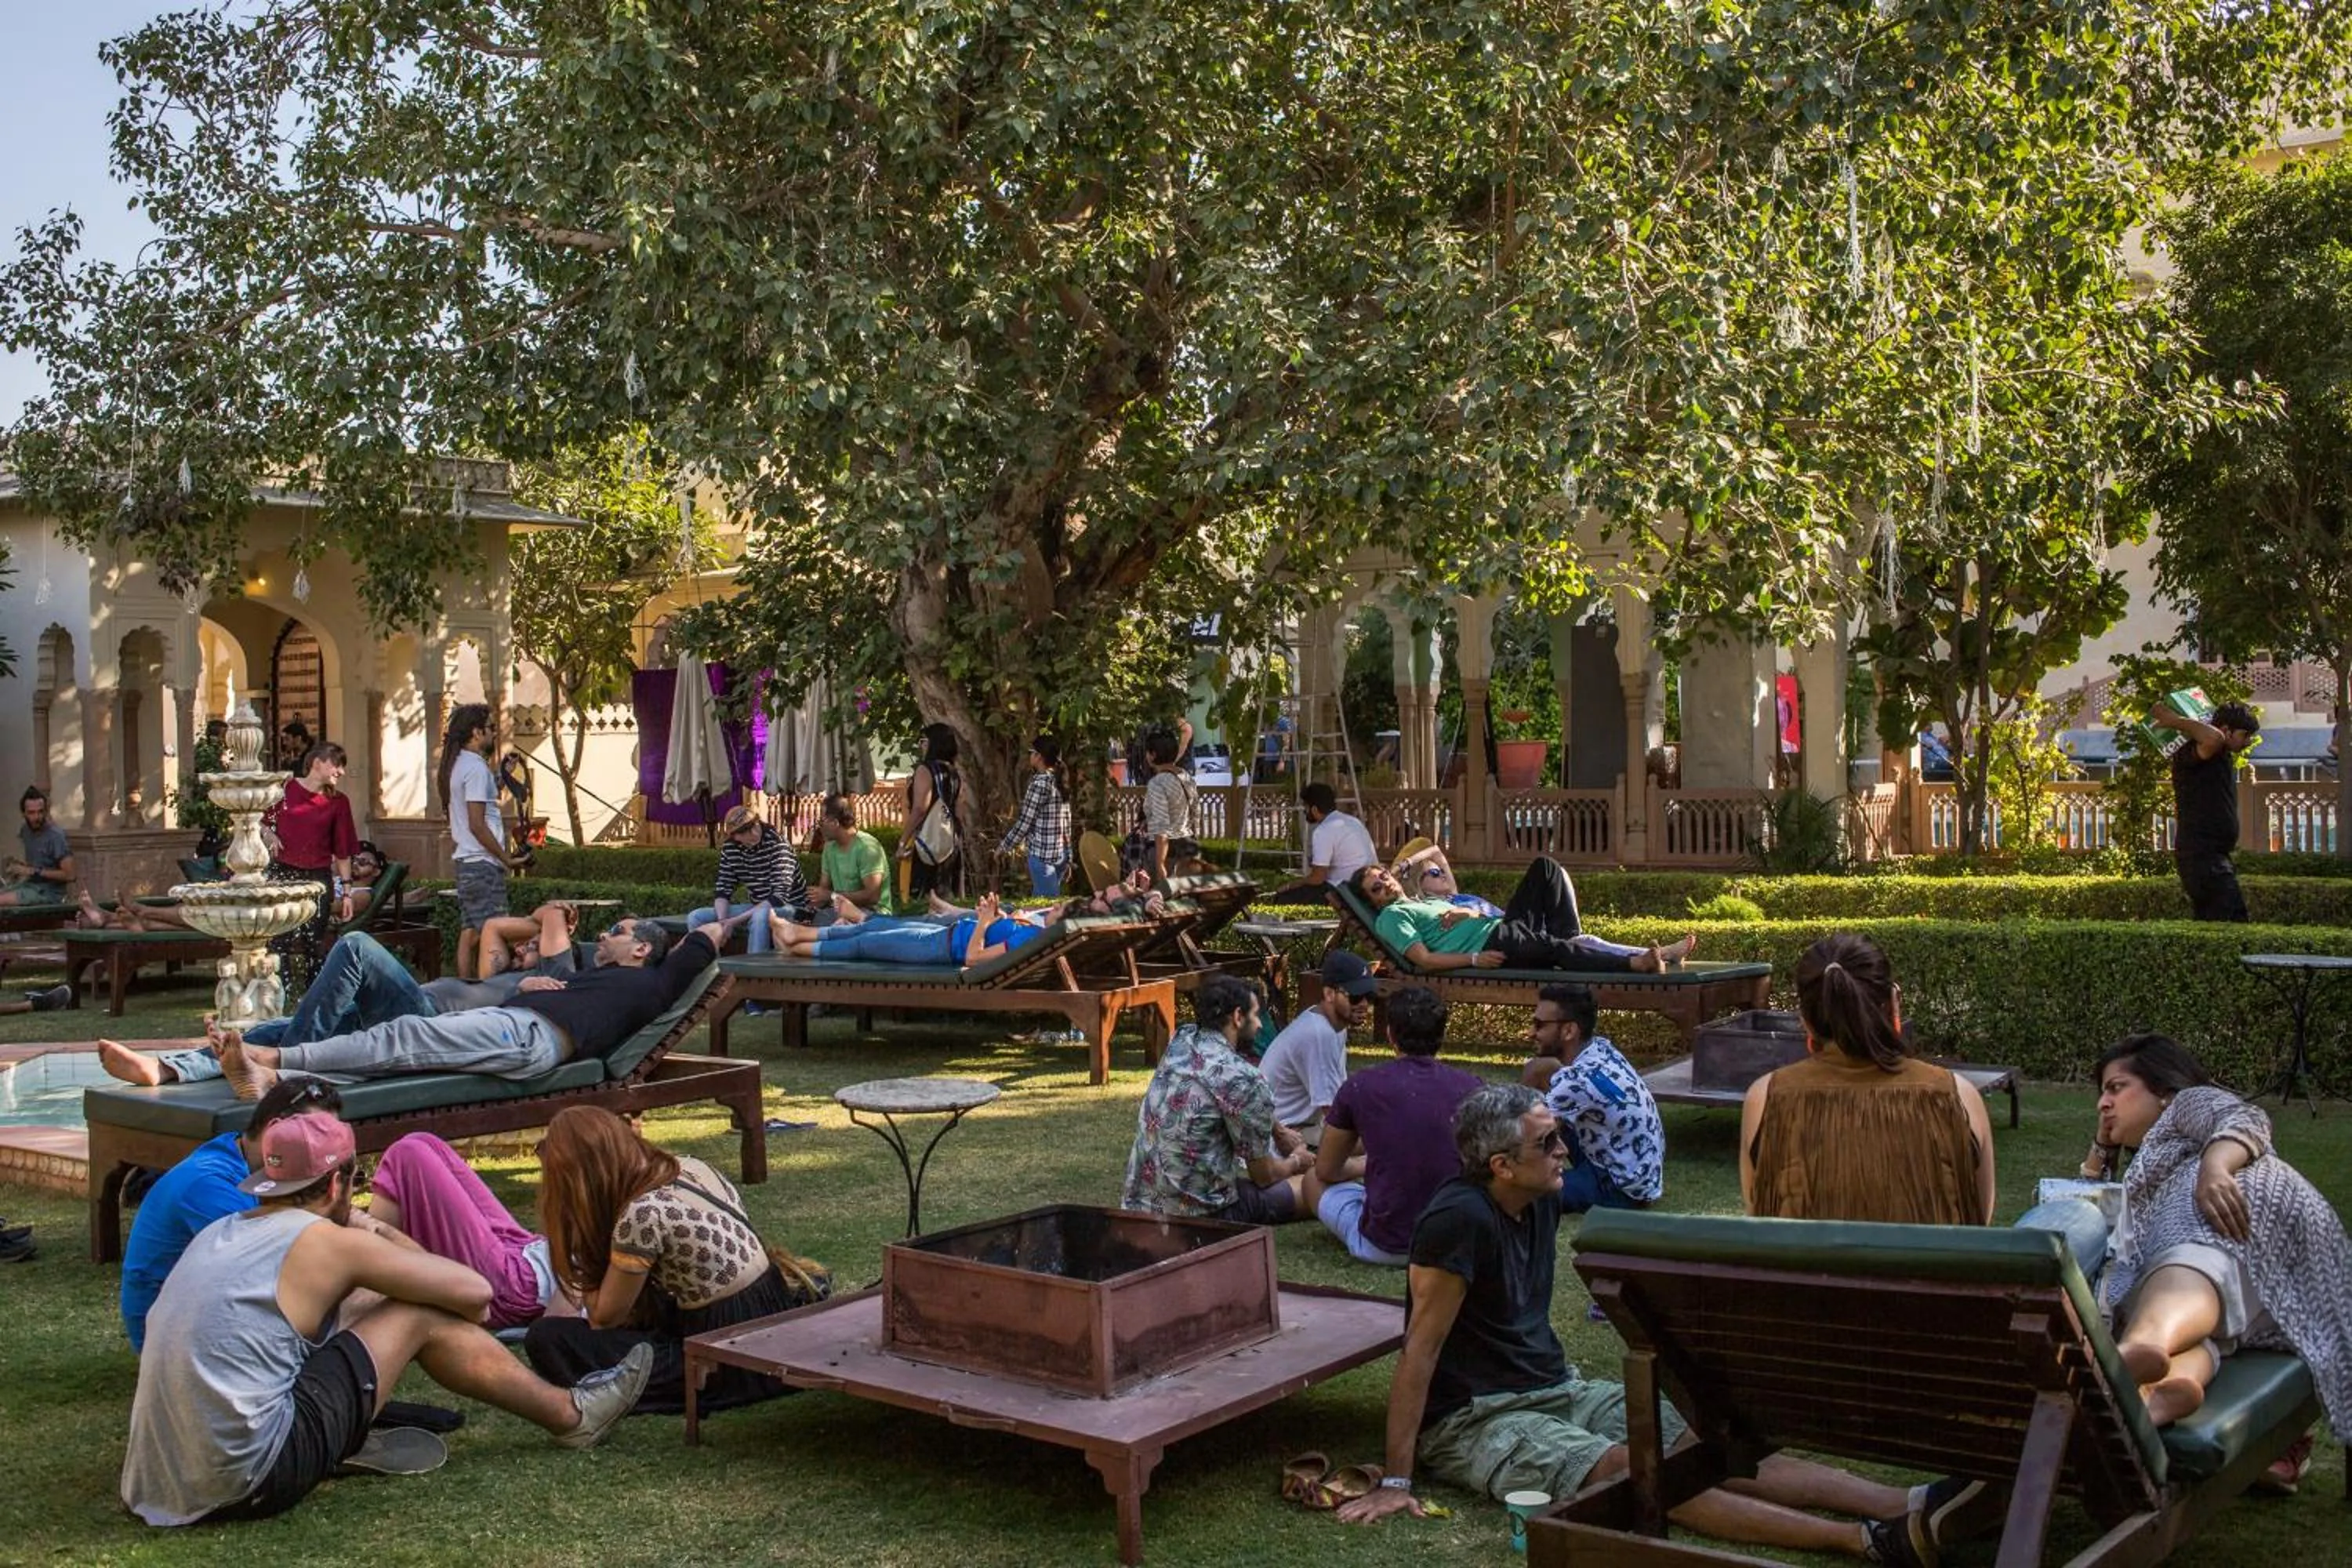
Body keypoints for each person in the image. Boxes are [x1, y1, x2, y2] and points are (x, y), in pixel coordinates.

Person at [1335, 1083, 1938, 1565]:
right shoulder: (1456, 1221)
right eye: (1547, 1143)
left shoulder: (1542, 1196)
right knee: (1628, 1467)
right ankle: (1861, 1542)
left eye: (1559, 1136)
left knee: (1707, 1435)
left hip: (1554, 1388)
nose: (1564, 1151)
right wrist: (1396, 1478)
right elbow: (1420, 1350)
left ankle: (1908, 1503)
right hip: (1475, 1418)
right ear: (1502, 1166)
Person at [122, 1109, 653, 1526]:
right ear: (336, 1185)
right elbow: (474, 1295)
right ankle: (570, 1414)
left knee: (364, 1305)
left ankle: (342, 1436)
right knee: (415, 1308)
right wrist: (373, 1232)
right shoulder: (325, 1242)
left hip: (156, 1481)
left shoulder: (224, 1231)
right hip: (245, 1481)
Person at [2091, 1034, 2350, 1436]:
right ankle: (2160, 1388)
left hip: (2236, 1204)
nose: (2102, 1103)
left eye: (2116, 1088)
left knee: (2188, 1260)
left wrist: (2215, 1168)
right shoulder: (2151, 1160)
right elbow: (2089, 1194)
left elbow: (2246, 1117)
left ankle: (2136, 1350)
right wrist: (2101, 1145)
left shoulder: (2186, 1104)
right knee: (2212, 1335)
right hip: (2263, 1270)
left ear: (2163, 1090)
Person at [211, 915, 723, 1102]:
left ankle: (274, 1062)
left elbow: (702, 939)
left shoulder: (653, 983)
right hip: (513, 1025)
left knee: (404, 1037)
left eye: (620, 932)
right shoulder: (597, 978)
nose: (607, 935)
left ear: (642, 950)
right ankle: (274, 1082)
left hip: (526, 1038)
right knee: (396, 1057)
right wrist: (529, 988)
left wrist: (751, 914)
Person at [95, 897, 586, 1088]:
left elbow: (557, 916)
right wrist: (524, 946)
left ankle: (285, 1066)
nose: (520, 948)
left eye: (532, 946)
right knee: (270, 1028)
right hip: (400, 1014)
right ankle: (168, 1069)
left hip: (428, 1023)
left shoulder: (559, 975)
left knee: (354, 946)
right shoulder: (504, 972)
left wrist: (549, 928)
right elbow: (495, 926)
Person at [523, 1106, 809, 1415]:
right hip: (772, 1314)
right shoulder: (690, 1166)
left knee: (547, 1339)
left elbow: (603, 1318)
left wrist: (579, 1229)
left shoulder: (643, 1214)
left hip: (727, 1355)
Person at [1740, 933, 1995, 1226]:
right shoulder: (1958, 1096)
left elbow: (1757, 1209)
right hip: (1926, 1272)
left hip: (1804, 1273)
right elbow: (1980, 1219)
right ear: (1893, 1003)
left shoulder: (1765, 1098)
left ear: (1806, 1020)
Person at [119, 1078, 344, 1352]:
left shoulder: (236, 1153)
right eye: (315, 1135)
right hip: (170, 1341)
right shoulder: (210, 1185)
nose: (324, 1149)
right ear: (273, 1128)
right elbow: (286, 1268)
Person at [1120, 975, 1315, 1224]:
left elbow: (1228, 1096)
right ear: (1237, 1017)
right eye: (1255, 1015)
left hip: (1139, 1206)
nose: (1258, 1025)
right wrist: (1297, 1160)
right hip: (1199, 1216)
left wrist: (1278, 1130)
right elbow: (1265, 1175)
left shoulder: (1181, 1040)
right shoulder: (1245, 1078)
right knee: (1312, 1184)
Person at [1312, 985, 1483, 1266]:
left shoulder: (1361, 1085)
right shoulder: (1473, 1087)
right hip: (1456, 1243)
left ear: (1391, 1034)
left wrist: (1364, 1164)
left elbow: (1326, 1170)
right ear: (1442, 1036)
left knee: (1312, 1181)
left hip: (1386, 1244)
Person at [1348, 858, 1693, 975]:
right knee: (1559, 950)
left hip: (1503, 926)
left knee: (1546, 868)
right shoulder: (1390, 918)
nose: (1385, 885)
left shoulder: (1423, 900)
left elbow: (1470, 912)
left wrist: (1467, 910)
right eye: (1376, 889)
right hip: (1494, 944)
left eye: (1383, 877)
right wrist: (1474, 959)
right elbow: (1422, 959)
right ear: (1374, 902)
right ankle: (1638, 962)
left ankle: (1571, 941)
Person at [1519, 982, 1665, 1210]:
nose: (1531, 1033)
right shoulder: (1600, 1048)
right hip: (1637, 1171)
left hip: (1619, 1187)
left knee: (1519, 1191)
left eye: (1539, 1025)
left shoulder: (1577, 1079)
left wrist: (1530, 1075)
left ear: (1569, 1031)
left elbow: (1520, 1130)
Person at [2154, 699, 2260, 922]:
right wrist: (2175, 721)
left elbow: (2216, 739)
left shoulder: (2222, 756)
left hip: (2216, 856)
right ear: (2225, 730)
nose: (2248, 741)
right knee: (2233, 919)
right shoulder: (2190, 754)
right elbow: (2213, 738)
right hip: (2200, 855)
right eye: (2244, 735)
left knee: (2214, 921)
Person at [442, 703, 524, 979]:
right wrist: (506, 857)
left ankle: (465, 989)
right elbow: (478, 824)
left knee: (471, 931)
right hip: (481, 863)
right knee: (494, 930)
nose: (495, 734)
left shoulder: (461, 764)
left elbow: (481, 806)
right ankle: (489, 991)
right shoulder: (475, 768)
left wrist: (500, 777)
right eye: (491, 729)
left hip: (468, 862)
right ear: (476, 733)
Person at [1258, 951, 1379, 1134]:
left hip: (1303, 1127)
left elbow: (1340, 1096)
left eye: (1369, 996)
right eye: (1355, 996)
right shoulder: (1319, 1034)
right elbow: (1336, 1116)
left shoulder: (1333, 1024)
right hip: (1283, 1136)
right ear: (1329, 993)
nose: (1364, 1004)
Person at [770, 891, 1046, 967]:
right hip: (944, 937)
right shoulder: (1034, 931)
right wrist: (994, 917)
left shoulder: (1032, 936)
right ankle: (794, 936)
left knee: (864, 943)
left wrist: (985, 921)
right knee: (866, 932)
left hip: (942, 948)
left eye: (1056, 910)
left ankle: (795, 947)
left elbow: (973, 958)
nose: (1050, 910)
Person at [687, 803, 808, 956]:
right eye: (741, 834)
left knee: (760, 916)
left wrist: (734, 922)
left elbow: (779, 897)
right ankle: (710, 972)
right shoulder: (731, 847)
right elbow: (724, 888)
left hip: (791, 907)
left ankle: (754, 971)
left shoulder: (778, 845)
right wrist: (723, 921)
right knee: (696, 917)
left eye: (754, 826)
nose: (753, 833)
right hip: (757, 905)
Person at [999, 735, 1073, 896]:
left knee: (1044, 911)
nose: (1029, 756)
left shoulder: (1040, 784)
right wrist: (1069, 856)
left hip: (1042, 856)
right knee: (1045, 905)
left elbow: (1025, 822)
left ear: (1039, 757)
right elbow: (1066, 823)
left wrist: (1005, 846)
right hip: (1061, 855)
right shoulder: (1061, 781)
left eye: (1031, 752)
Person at [899, 721, 966, 902]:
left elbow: (920, 809)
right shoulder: (953, 772)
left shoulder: (925, 770)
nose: (921, 746)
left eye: (923, 741)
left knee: (924, 901)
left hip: (927, 841)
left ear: (932, 743)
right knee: (946, 901)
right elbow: (959, 811)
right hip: (950, 841)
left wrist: (903, 841)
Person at [1134, 725, 1203, 884]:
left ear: (1153, 755)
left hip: (1168, 852)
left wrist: (1159, 865)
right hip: (1189, 844)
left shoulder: (1157, 783)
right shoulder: (1185, 776)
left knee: (1159, 903)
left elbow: (1161, 828)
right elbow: (1196, 812)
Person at [806, 792, 888, 913]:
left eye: (821, 821)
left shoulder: (867, 848)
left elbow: (873, 897)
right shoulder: (829, 847)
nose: (820, 827)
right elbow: (824, 889)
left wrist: (831, 896)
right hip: (842, 910)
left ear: (835, 823)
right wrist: (812, 899)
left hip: (872, 914)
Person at [1295, 782, 1378, 891]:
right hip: (1372, 884)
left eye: (1305, 807)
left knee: (1290, 895)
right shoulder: (1353, 821)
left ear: (1314, 809)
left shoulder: (1323, 831)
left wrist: (1293, 884)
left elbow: (1318, 878)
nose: (1304, 812)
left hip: (1350, 890)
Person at [0, 785, 74, 905]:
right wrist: (17, 868)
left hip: (49, 892)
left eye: (40, 812)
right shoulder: (25, 831)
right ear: (23, 813)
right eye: (31, 813)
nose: (37, 817)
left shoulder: (55, 836)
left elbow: (70, 875)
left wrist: (34, 871)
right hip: (30, 885)